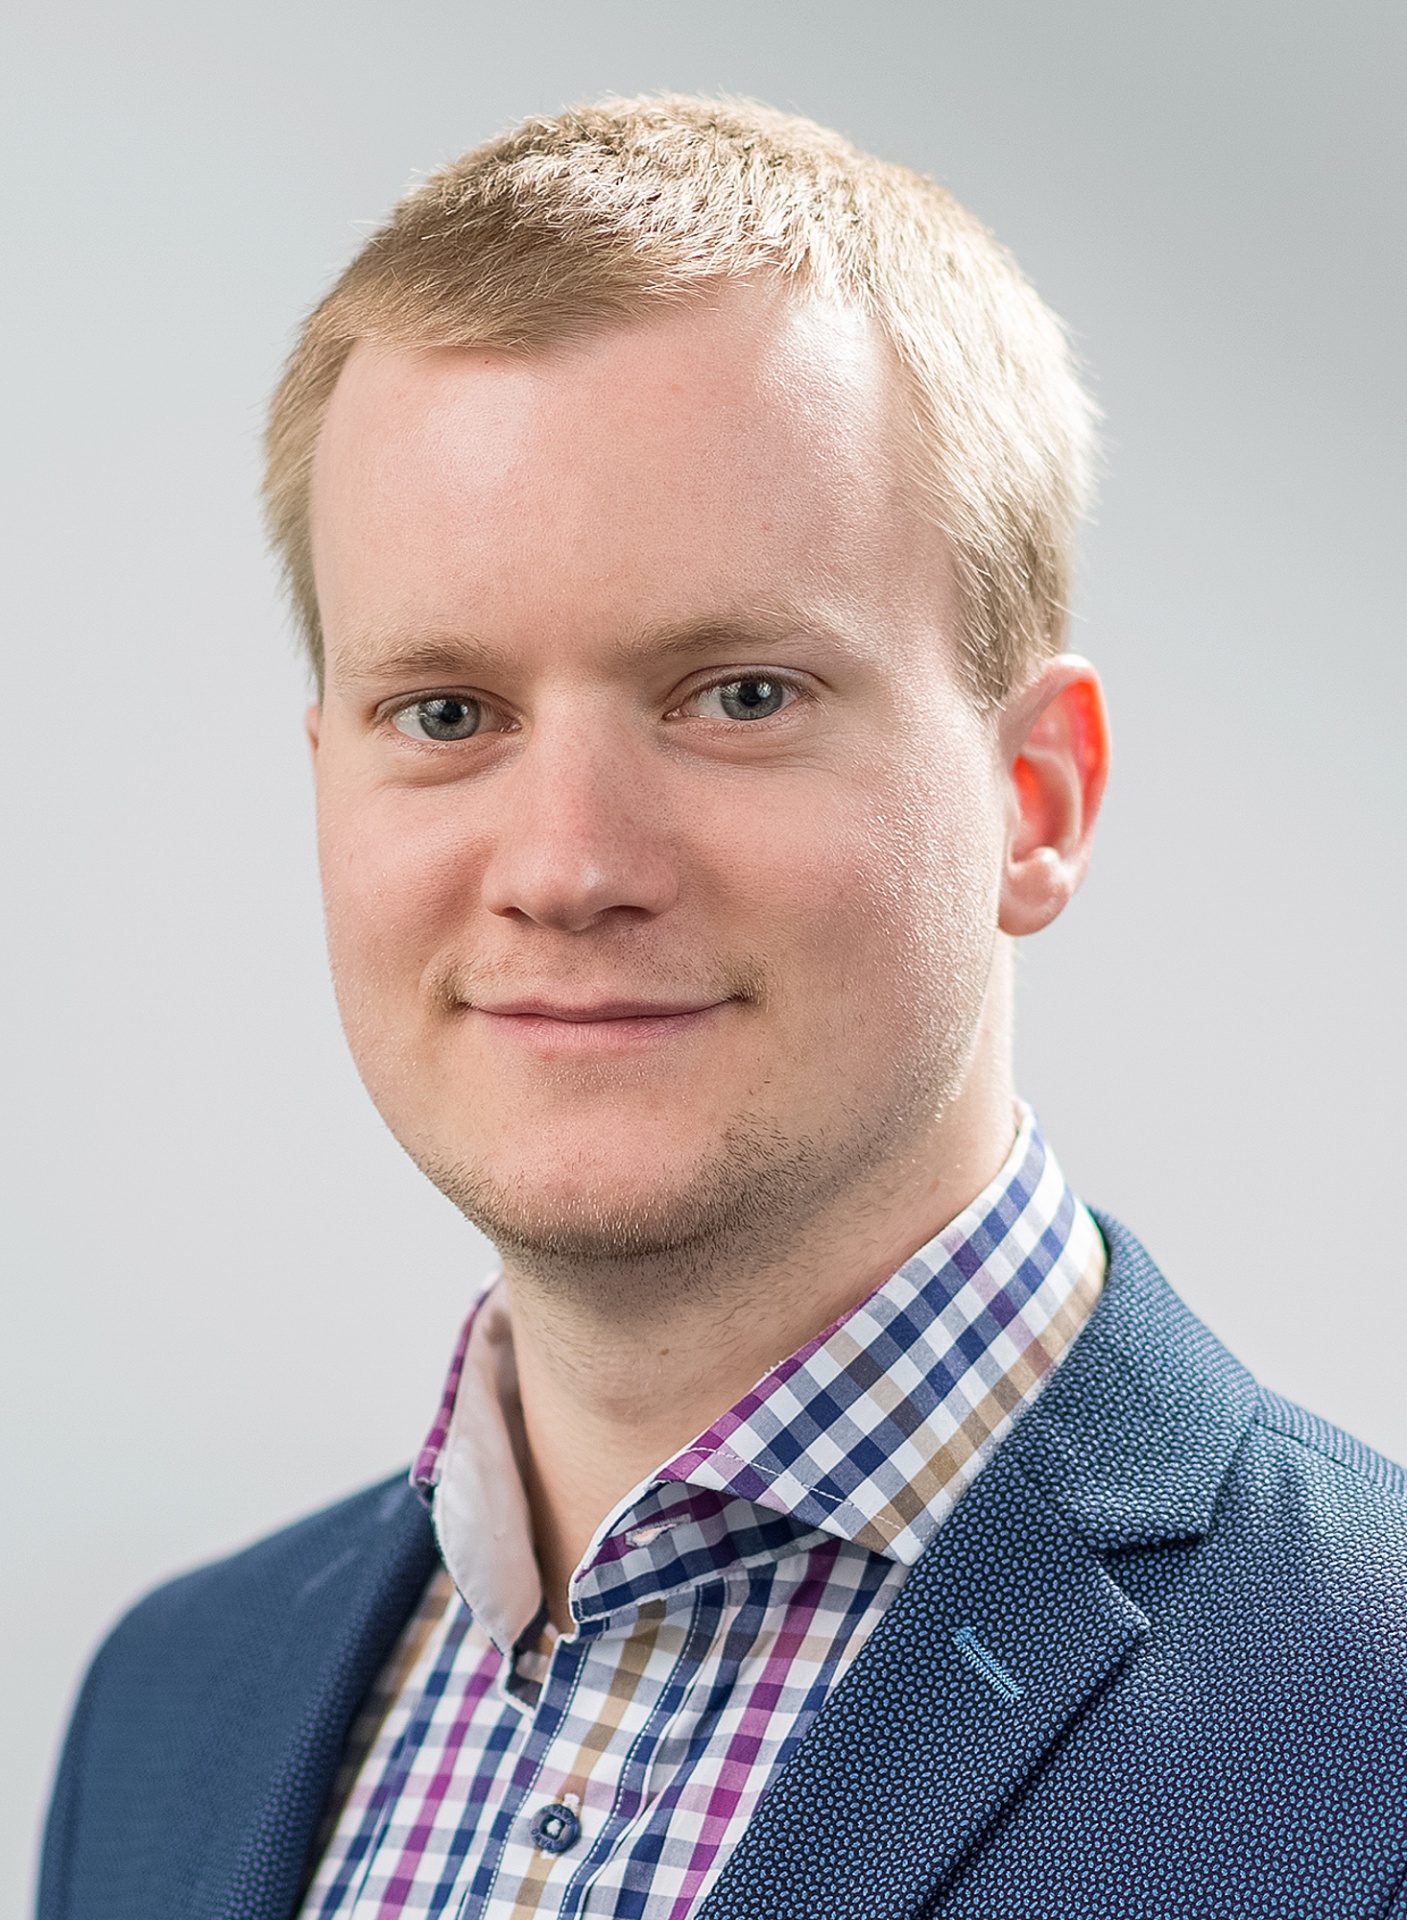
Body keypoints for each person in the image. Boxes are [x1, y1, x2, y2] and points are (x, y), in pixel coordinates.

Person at [37, 95, 1407, 1920]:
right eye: (445, 714)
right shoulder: (167, 1711)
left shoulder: (1374, 1722)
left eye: (740, 694)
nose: (567, 864)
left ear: (1037, 799)